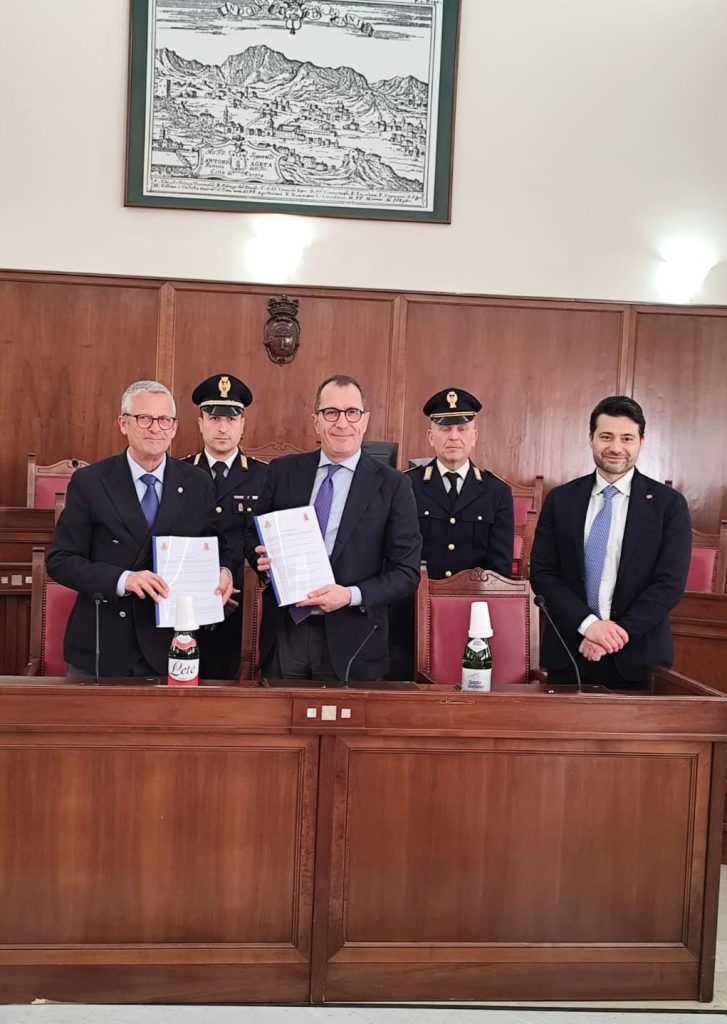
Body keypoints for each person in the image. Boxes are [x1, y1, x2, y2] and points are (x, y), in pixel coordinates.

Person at [47, 380, 237, 678]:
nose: (155, 428)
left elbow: (218, 546)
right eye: (144, 418)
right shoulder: (91, 482)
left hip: (170, 646)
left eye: (164, 420)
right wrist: (124, 579)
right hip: (103, 645)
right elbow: (61, 561)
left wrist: (224, 571)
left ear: (175, 427)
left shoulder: (197, 482)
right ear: (123, 423)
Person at [246, 374, 422, 682]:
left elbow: (406, 574)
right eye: (331, 413)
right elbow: (253, 535)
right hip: (287, 632)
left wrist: (350, 595)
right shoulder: (282, 472)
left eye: (352, 412)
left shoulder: (394, 485)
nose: (342, 423)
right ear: (316, 421)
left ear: (365, 420)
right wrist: (259, 558)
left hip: (354, 637)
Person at [530, 395, 691, 687]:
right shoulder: (561, 500)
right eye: (606, 436)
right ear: (591, 438)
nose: (616, 447)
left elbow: (669, 583)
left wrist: (614, 634)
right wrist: (589, 626)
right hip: (569, 653)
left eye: (627, 438)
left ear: (641, 442)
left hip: (638, 657)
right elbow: (543, 573)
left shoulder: (669, 505)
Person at [184, 373, 267, 678]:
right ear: (200, 422)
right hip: (186, 604)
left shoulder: (264, 477)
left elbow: (263, 543)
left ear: (242, 424)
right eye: (214, 418)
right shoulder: (179, 473)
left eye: (231, 419)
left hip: (243, 607)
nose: (222, 427)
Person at [408, 388, 514, 579]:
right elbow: (399, 557)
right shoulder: (407, 486)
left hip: (475, 596)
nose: (454, 437)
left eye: (462, 429)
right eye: (445, 429)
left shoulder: (497, 492)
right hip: (417, 595)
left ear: (474, 437)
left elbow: (499, 568)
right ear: (431, 437)